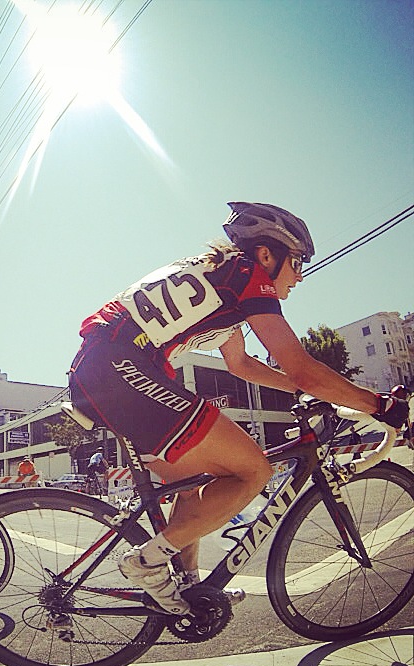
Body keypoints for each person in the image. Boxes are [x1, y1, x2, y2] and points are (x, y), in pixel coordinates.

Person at [68, 201, 410, 614]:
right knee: (254, 471)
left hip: (106, 370)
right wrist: (378, 405)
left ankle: (188, 588)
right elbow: (301, 367)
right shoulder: (247, 276)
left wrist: (312, 392)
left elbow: (241, 364)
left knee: (191, 486)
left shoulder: (223, 280)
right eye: (296, 262)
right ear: (266, 255)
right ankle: (146, 562)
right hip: (119, 370)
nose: (299, 276)